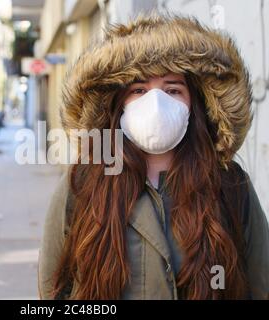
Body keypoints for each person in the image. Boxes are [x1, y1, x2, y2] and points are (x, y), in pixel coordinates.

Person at [38, 13, 269, 300]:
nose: (156, 104)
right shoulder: (83, 183)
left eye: (173, 89)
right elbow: (53, 289)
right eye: (139, 90)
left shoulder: (231, 184)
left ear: (195, 105)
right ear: (119, 104)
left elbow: (260, 284)